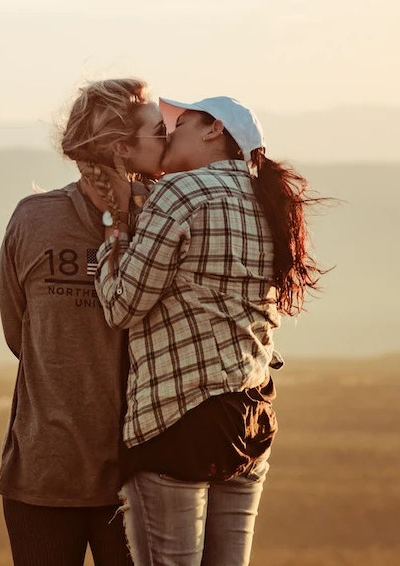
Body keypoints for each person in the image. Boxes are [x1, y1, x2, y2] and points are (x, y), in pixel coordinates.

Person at [95, 95, 323, 565]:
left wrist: (113, 244)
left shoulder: (181, 193)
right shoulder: (265, 199)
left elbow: (122, 306)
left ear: (213, 129)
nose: (168, 131)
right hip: (252, 412)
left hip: (180, 414)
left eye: (180, 123)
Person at [0, 78, 168, 566]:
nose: (170, 138)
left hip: (139, 477)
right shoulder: (35, 220)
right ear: (122, 149)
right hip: (44, 477)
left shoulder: (164, 221)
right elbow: (19, 335)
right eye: (159, 131)